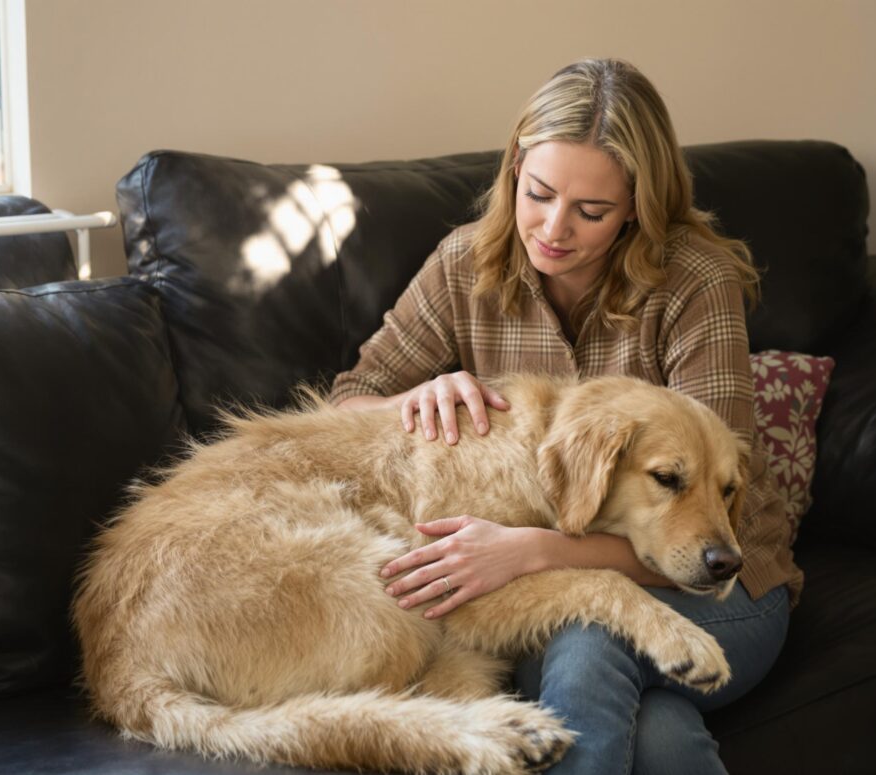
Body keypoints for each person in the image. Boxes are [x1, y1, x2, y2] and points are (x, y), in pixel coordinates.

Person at [328, 58, 803, 775]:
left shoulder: (695, 283)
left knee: (588, 646)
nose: (553, 229)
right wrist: (407, 399)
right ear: (515, 167)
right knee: (660, 737)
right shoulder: (465, 265)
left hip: (721, 586)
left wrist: (531, 549)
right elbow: (345, 402)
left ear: (639, 206)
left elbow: (713, 528)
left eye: (591, 211)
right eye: (539, 193)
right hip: (536, 593)